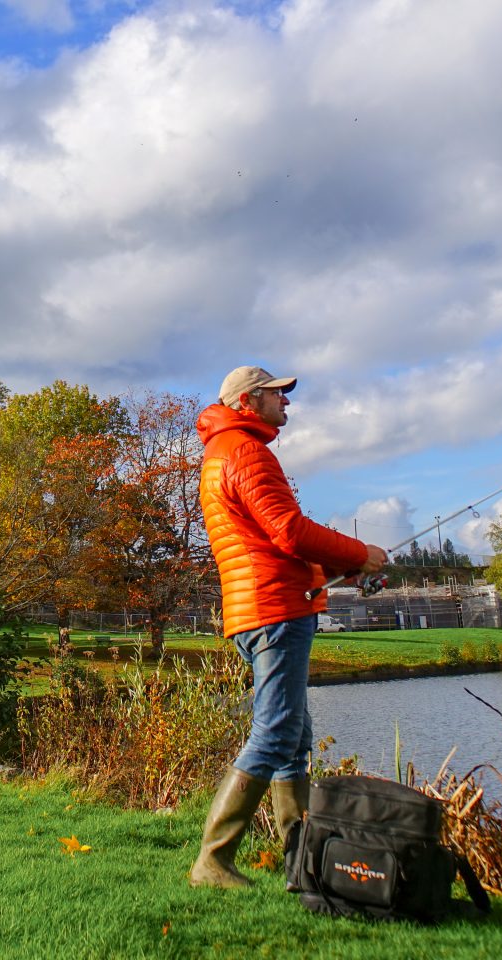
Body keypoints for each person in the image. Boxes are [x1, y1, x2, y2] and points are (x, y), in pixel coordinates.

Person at [190, 365, 388, 888]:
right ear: (250, 400)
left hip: (261, 605)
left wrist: (334, 569)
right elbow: (288, 530)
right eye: (280, 394)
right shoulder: (245, 451)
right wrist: (360, 552)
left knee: (293, 736)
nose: (288, 403)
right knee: (276, 730)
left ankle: (298, 858)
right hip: (274, 611)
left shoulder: (222, 451)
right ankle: (213, 860)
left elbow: (266, 541)